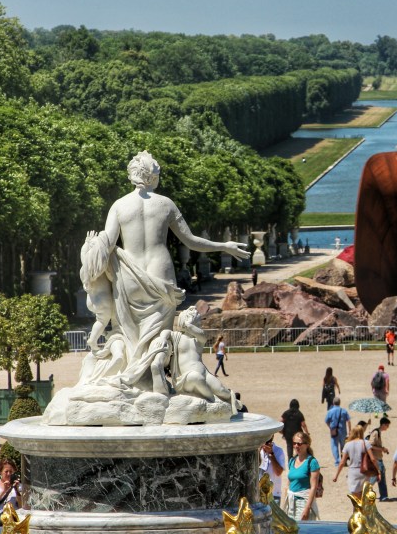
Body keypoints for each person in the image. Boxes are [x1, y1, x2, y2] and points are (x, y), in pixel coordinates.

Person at [77, 151, 249, 396]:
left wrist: (89, 260)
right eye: (157, 174)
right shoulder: (165, 204)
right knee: (159, 339)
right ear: (151, 177)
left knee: (130, 336)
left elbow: (105, 246)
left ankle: (133, 383)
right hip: (161, 276)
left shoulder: (119, 206)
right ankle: (151, 383)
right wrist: (223, 246)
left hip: (130, 277)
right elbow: (190, 241)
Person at [333, 424, 380, 498]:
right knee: (364, 496)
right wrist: (378, 471)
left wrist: (336, 475)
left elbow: (342, 462)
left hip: (353, 472)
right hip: (364, 472)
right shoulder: (365, 443)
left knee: (356, 499)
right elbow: (373, 459)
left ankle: (357, 509)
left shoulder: (347, 445)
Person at [284, 432, 320, 521]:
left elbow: (314, 487)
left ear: (307, 445)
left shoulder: (312, 462)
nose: (296, 446)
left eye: (299, 444)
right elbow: (288, 484)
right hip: (291, 502)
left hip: (303, 502)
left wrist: (307, 508)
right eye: (294, 443)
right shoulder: (292, 461)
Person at [367, 417, 392, 502]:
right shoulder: (376, 432)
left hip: (378, 458)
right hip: (376, 459)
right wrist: (381, 449)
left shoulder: (378, 432)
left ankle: (384, 496)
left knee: (381, 477)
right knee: (376, 477)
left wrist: (382, 449)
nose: (388, 427)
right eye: (387, 425)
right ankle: (366, 492)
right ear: (383, 424)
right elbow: (370, 445)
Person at [259, 437, 286, 506]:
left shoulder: (278, 451)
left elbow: (278, 472)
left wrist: (271, 454)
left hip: (273, 495)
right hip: (258, 495)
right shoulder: (257, 451)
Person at [325, 396, 351, 466]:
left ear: (333, 403)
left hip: (334, 431)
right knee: (343, 446)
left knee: (334, 446)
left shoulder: (330, 411)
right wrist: (350, 431)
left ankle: (337, 461)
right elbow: (348, 421)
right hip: (343, 431)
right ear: (340, 403)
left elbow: (326, 421)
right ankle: (344, 461)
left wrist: (330, 427)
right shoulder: (344, 411)